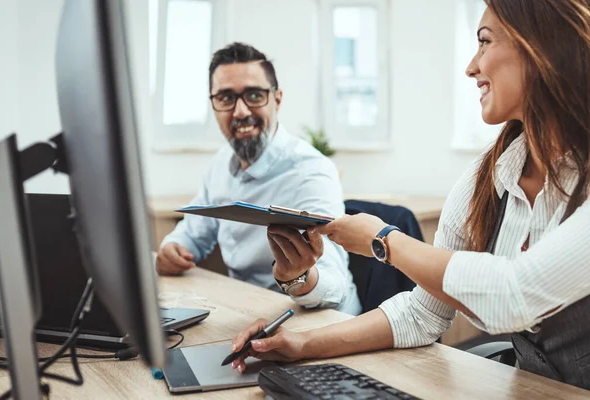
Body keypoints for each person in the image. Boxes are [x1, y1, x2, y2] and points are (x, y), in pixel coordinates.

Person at [230, 0, 590, 389]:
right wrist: (301, 344)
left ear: (542, 47)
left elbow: (513, 295)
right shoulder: (488, 176)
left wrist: (383, 240)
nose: (471, 66)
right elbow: (423, 312)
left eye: (484, 42)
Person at [156, 43, 360, 315]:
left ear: (277, 99)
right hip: (248, 313)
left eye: (254, 95)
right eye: (226, 98)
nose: (240, 111)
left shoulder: (311, 172)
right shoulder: (220, 164)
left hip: (316, 323)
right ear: (214, 105)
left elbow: (335, 287)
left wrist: (300, 279)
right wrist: (172, 248)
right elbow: (193, 233)